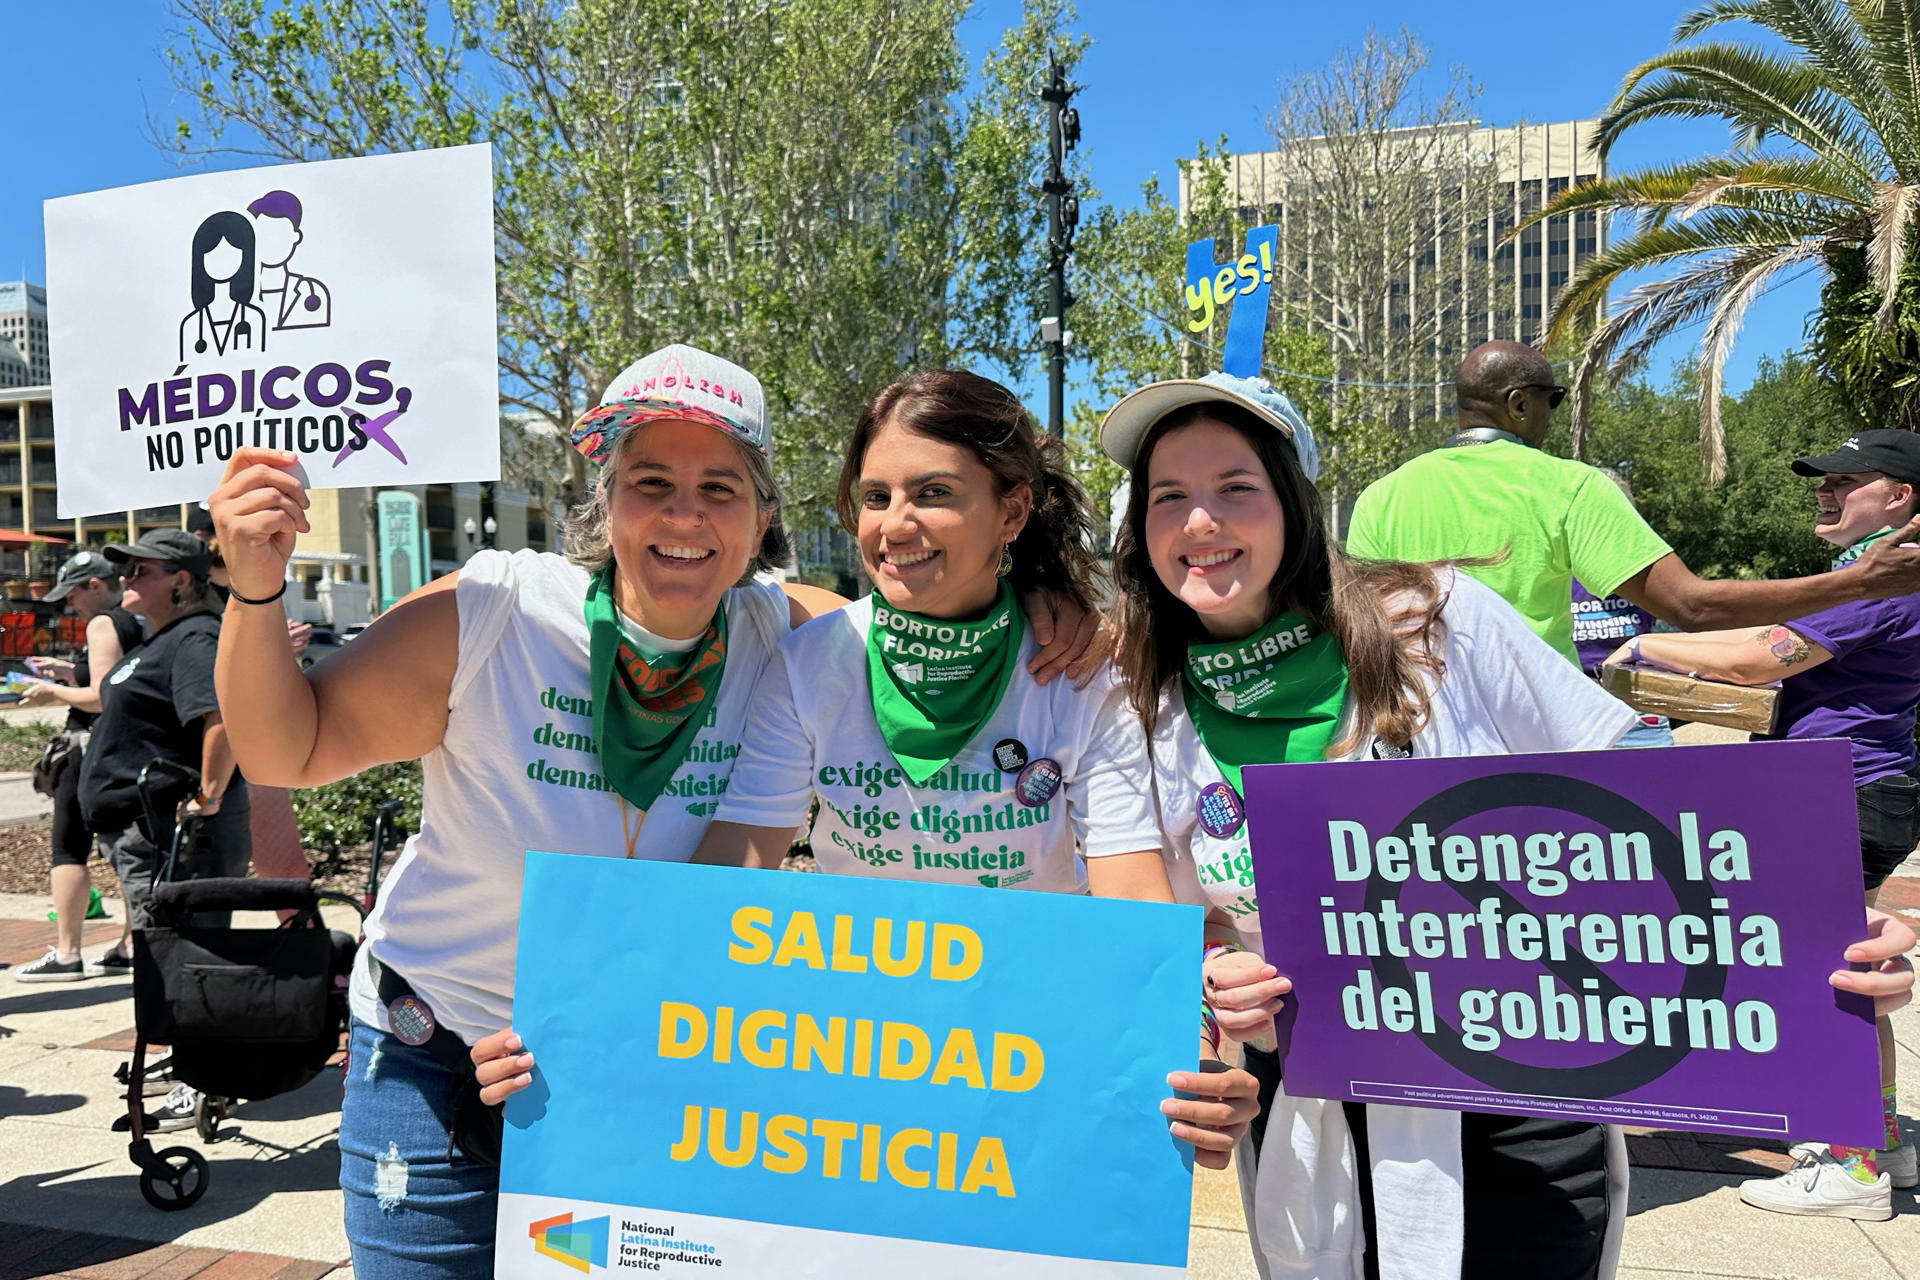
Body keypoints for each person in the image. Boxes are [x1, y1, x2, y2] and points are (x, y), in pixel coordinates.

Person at [207, 344, 1100, 1280]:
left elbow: (935, 600)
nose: (684, 515)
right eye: (650, 481)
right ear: (605, 501)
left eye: (720, 486)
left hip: (637, 1060)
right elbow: (282, 750)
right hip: (437, 1046)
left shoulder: (786, 636)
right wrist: (255, 586)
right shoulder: (494, 615)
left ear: (762, 518)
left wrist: (1051, 600)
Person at [1098, 369, 1918, 1279]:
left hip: (1524, 1098)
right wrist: (1216, 971)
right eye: (1169, 497)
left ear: (1294, 500)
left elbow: (1640, 782)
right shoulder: (1138, 695)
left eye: (1235, 488)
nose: (1200, 523)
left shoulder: (1429, 617)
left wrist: (1816, 925)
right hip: (1311, 1124)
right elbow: (1164, 913)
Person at [666, 367, 1258, 1168]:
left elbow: (1133, 904)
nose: (894, 526)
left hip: (1033, 1058)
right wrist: (605, 1020)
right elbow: (728, 876)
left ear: (1011, 509)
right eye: (875, 498)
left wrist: (1191, 1061)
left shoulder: (1080, 672)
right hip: (858, 1061)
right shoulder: (811, 665)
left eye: (934, 493)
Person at [1604, 428, 1920, 1221]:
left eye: (1846, 480)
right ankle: (1879, 1140)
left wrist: (1651, 645)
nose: (1825, 491)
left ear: (1900, 496)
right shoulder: (1871, 576)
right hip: (1858, 785)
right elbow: (1753, 644)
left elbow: (1758, 660)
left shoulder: (1878, 584)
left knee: (1832, 974)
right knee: (1840, 960)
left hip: (1844, 789)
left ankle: (1851, 1168)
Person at [1346, 341, 1920, 665]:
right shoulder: (1567, 485)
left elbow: (1362, 636)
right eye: (1553, 399)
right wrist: (1861, 581)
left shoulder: (1379, 498)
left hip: (1416, 741)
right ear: (1518, 404)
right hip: (1530, 747)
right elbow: (1692, 607)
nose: (1555, 412)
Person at [12, 552, 144, 981]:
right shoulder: (142, 619)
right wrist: (71, 671)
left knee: (68, 847)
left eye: (72, 594)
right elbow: (124, 679)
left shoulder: (103, 622)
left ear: (94, 585)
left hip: (90, 748)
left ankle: (68, 953)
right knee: (130, 849)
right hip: (131, 750)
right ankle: (131, 944)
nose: (70, 605)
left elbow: (104, 697)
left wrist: (52, 692)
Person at [178, 211, 268, 362]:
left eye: (231, 253)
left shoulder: (254, 318)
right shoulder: (191, 324)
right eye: (213, 254)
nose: (221, 261)